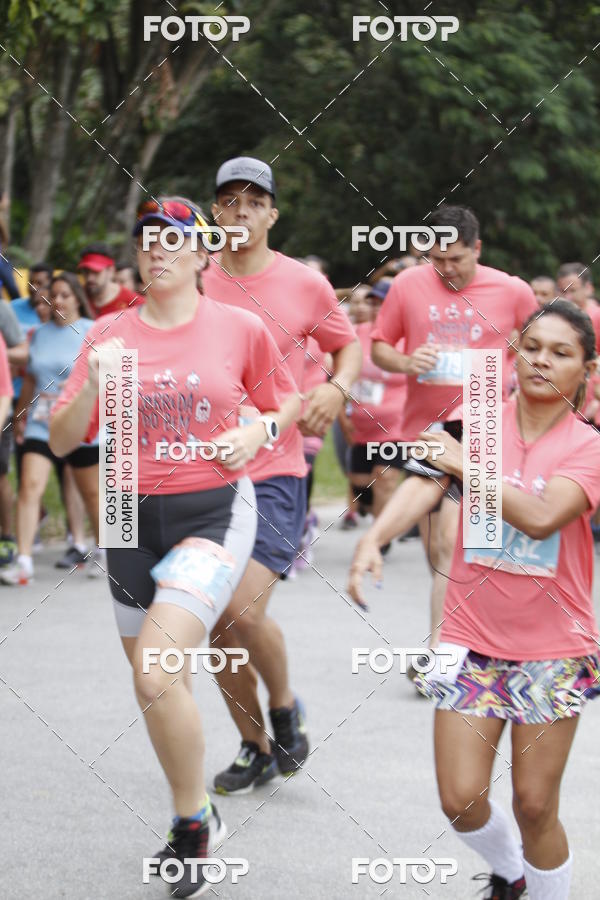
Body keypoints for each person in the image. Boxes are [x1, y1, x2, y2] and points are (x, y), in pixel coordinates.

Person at [50, 196, 301, 898]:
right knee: (160, 683)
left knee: (156, 671)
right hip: (125, 516)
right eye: (147, 239)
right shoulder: (108, 334)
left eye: (172, 239)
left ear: (201, 255)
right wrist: (92, 388)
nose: (156, 249)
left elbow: (284, 405)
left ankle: (191, 826)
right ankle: (196, 809)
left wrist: (255, 432)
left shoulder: (239, 328)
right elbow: (64, 438)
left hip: (212, 510)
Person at [351, 301, 600, 899]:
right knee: (460, 798)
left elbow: (541, 516)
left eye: (561, 353)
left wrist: (466, 465)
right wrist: (374, 539)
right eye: (532, 347)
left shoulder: (587, 446)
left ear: (587, 370)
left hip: (553, 648)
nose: (541, 361)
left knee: (534, 803)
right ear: (514, 353)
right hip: (469, 636)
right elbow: (426, 480)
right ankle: (511, 873)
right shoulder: (477, 420)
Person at [203, 156, 361, 793]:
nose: (241, 212)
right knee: (218, 625)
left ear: (273, 213)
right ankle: (254, 745)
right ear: (215, 212)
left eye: (253, 201)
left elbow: (348, 346)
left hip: (276, 468)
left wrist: (338, 387)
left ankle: (285, 703)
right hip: (204, 474)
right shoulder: (193, 279)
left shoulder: (305, 284)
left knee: (239, 610)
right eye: (229, 201)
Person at [371, 205, 538, 653]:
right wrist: (407, 361)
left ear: (477, 248)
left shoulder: (512, 290)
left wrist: (515, 372)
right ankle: (468, 635)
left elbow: (538, 343)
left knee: (458, 541)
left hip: (484, 426)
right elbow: (380, 347)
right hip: (425, 430)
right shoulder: (407, 284)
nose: (446, 269)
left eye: (456, 259)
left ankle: (443, 651)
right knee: (437, 552)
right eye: (437, 259)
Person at [2, 273, 100, 585]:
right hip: (41, 423)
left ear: (77, 299)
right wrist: (20, 416)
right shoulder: (38, 334)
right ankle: (24, 562)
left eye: (65, 295)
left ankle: (106, 550)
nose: (57, 301)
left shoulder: (93, 331)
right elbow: (31, 377)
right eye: (53, 295)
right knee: (29, 486)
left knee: (92, 493)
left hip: (80, 422)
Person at [339, 280, 406, 538]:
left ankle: (379, 538)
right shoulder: (356, 334)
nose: (377, 308)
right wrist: (342, 416)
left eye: (383, 303)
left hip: (396, 426)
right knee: (360, 483)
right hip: (361, 427)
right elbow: (338, 374)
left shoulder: (408, 338)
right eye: (374, 302)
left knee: (385, 477)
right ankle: (377, 511)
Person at [77, 242, 142, 317]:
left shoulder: (135, 303)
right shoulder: (76, 298)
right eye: (86, 271)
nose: (89, 278)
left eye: (96, 271)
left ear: (111, 271)